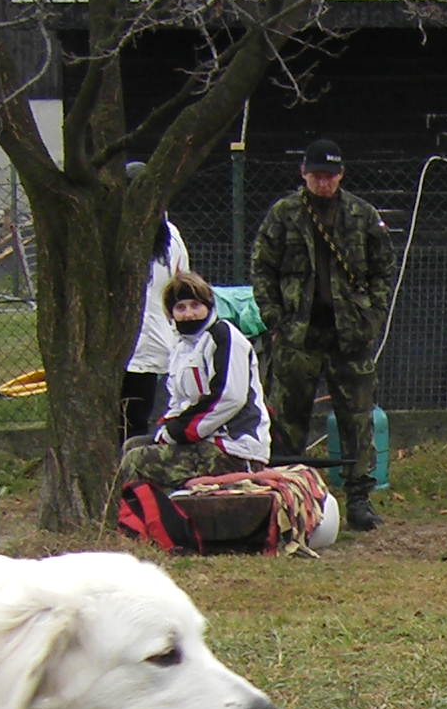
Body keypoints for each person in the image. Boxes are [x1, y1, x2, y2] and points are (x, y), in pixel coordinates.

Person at [248, 137, 394, 531]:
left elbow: (383, 269)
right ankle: (290, 494)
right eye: (316, 175)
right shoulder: (284, 215)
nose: (323, 183)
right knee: (289, 418)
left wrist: (373, 317)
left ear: (341, 175)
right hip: (297, 333)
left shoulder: (361, 215)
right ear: (304, 174)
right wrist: (274, 318)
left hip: (350, 334)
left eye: (329, 176)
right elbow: (262, 267)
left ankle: (359, 498)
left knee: (356, 417)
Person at [113, 271, 270, 496]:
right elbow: (178, 402)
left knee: (137, 460)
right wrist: (165, 430)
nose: (189, 314)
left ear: (208, 305)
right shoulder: (181, 347)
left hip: (234, 447)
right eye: (181, 308)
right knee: (133, 445)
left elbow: (228, 398)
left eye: (195, 305)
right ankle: (151, 516)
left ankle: (134, 524)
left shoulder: (224, 337)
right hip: (201, 442)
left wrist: (177, 432)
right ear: (171, 312)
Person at [121, 217, 193, 442]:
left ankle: (128, 471)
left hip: (144, 345)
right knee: (135, 419)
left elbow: (180, 282)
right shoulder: (170, 233)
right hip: (147, 344)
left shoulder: (168, 235)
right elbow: (182, 279)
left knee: (133, 421)